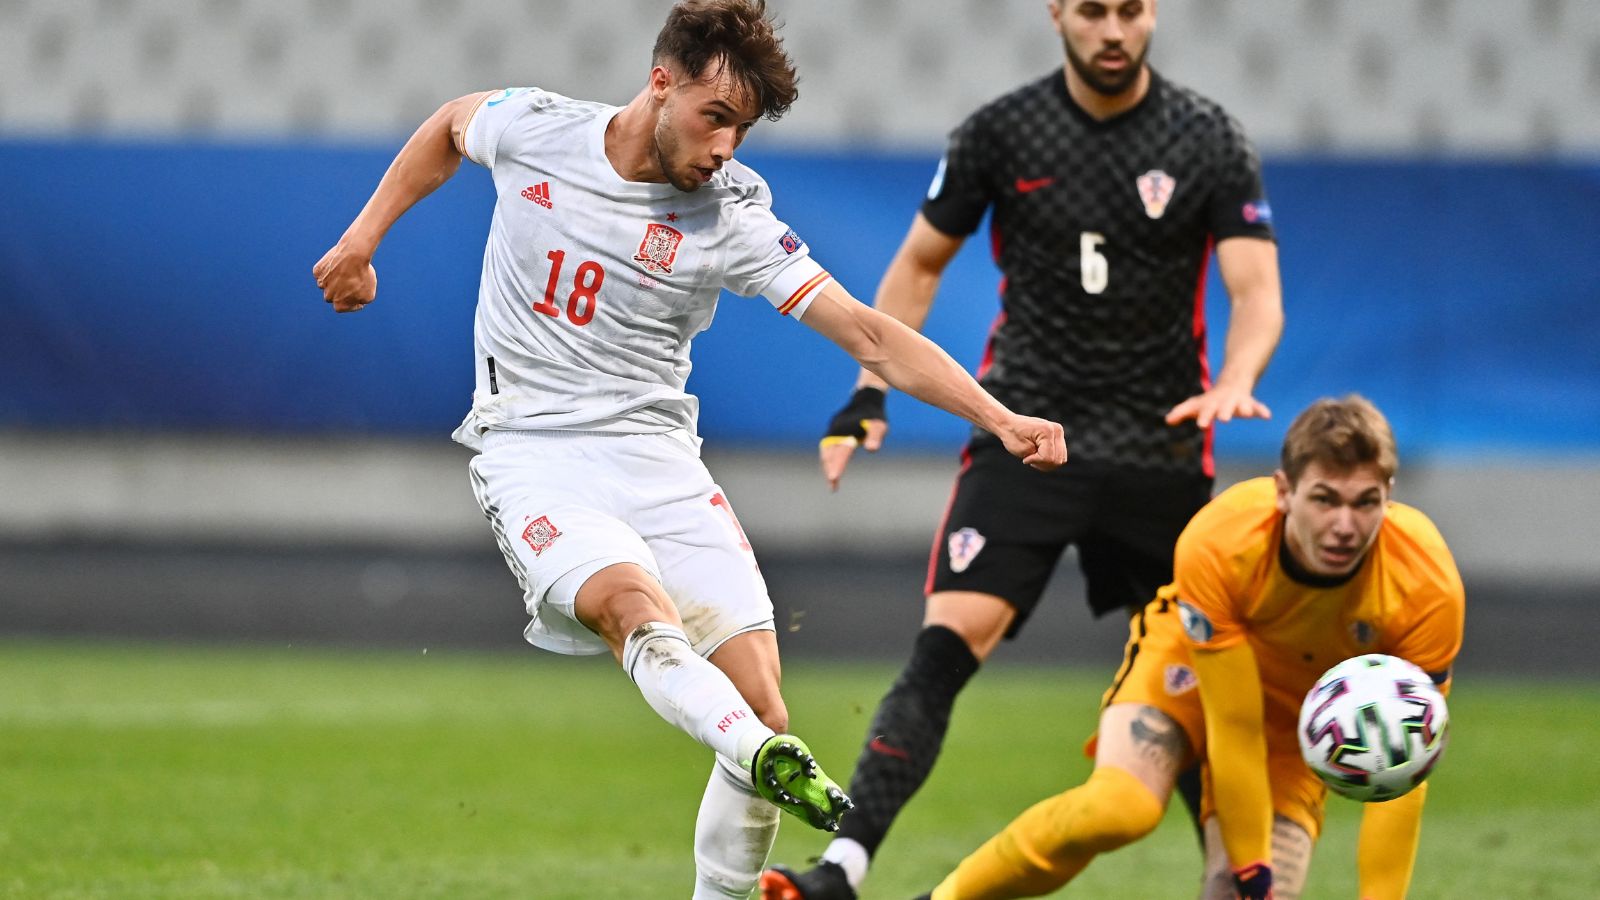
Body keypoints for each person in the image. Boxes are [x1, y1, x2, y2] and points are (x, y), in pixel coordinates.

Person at [311, 1, 1066, 896]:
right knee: (634, 607)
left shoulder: (731, 217)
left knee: (761, 706)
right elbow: (447, 124)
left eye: (742, 132)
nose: (724, 149)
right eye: (716, 119)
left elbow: (869, 335)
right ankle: (762, 752)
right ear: (661, 82)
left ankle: (752, 769)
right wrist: (362, 240)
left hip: (658, 461)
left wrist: (999, 417)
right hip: (533, 453)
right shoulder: (539, 130)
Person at [763, 0, 1283, 896]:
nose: (1113, 30)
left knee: (1198, 675)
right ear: (1057, 15)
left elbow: (1257, 290)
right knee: (944, 647)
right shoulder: (1001, 134)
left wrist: (1238, 376)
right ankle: (842, 869)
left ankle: (1233, 883)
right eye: (1092, 11)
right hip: (1026, 435)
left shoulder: (1207, 137)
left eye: (1131, 10)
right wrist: (869, 391)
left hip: (1158, 451)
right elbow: (919, 268)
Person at [915, 395, 1465, 900]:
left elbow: (1403, 770)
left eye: (1365, 502)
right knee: (1118, 810)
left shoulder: (1426, 584)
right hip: (1188, 665)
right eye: (1325, 499)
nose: (1345, 525)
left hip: (1293, 715)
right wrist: (1250, 863)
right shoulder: (1222, 541)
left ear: (1388, 498)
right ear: (1284, 491)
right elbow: (1233, 724)